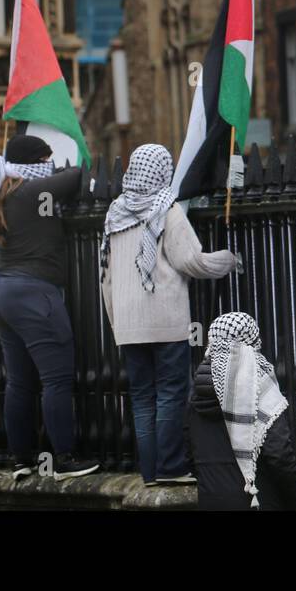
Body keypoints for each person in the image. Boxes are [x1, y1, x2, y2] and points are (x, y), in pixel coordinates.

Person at [100, 143, 237, 487]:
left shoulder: (115, 212)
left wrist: (116, 322)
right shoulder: (167, 209)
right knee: (172, 393)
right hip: (164, 319)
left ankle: (150, 472)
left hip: (129, 324)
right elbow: (190, 260)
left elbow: (106, 276)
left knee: (142, 397)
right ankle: (171, 467)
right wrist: (227, 260)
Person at [0, 133, 98, 480]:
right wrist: (58, 168)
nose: (49, 165)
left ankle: (21, 461)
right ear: (33, 163)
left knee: (19, 382)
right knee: (56, 379)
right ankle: (64, 458)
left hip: (1, 291)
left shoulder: (4, 192)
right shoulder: (32, 192)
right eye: (45, 159)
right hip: (35, 294)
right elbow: (78, 174)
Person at [185, 312, 296, 510]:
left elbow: (190, 455)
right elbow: (279, 454)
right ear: (252, 341)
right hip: (259, 501)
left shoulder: (195, 394)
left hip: (211, 501)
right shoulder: (260, 390)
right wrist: (295, 500)